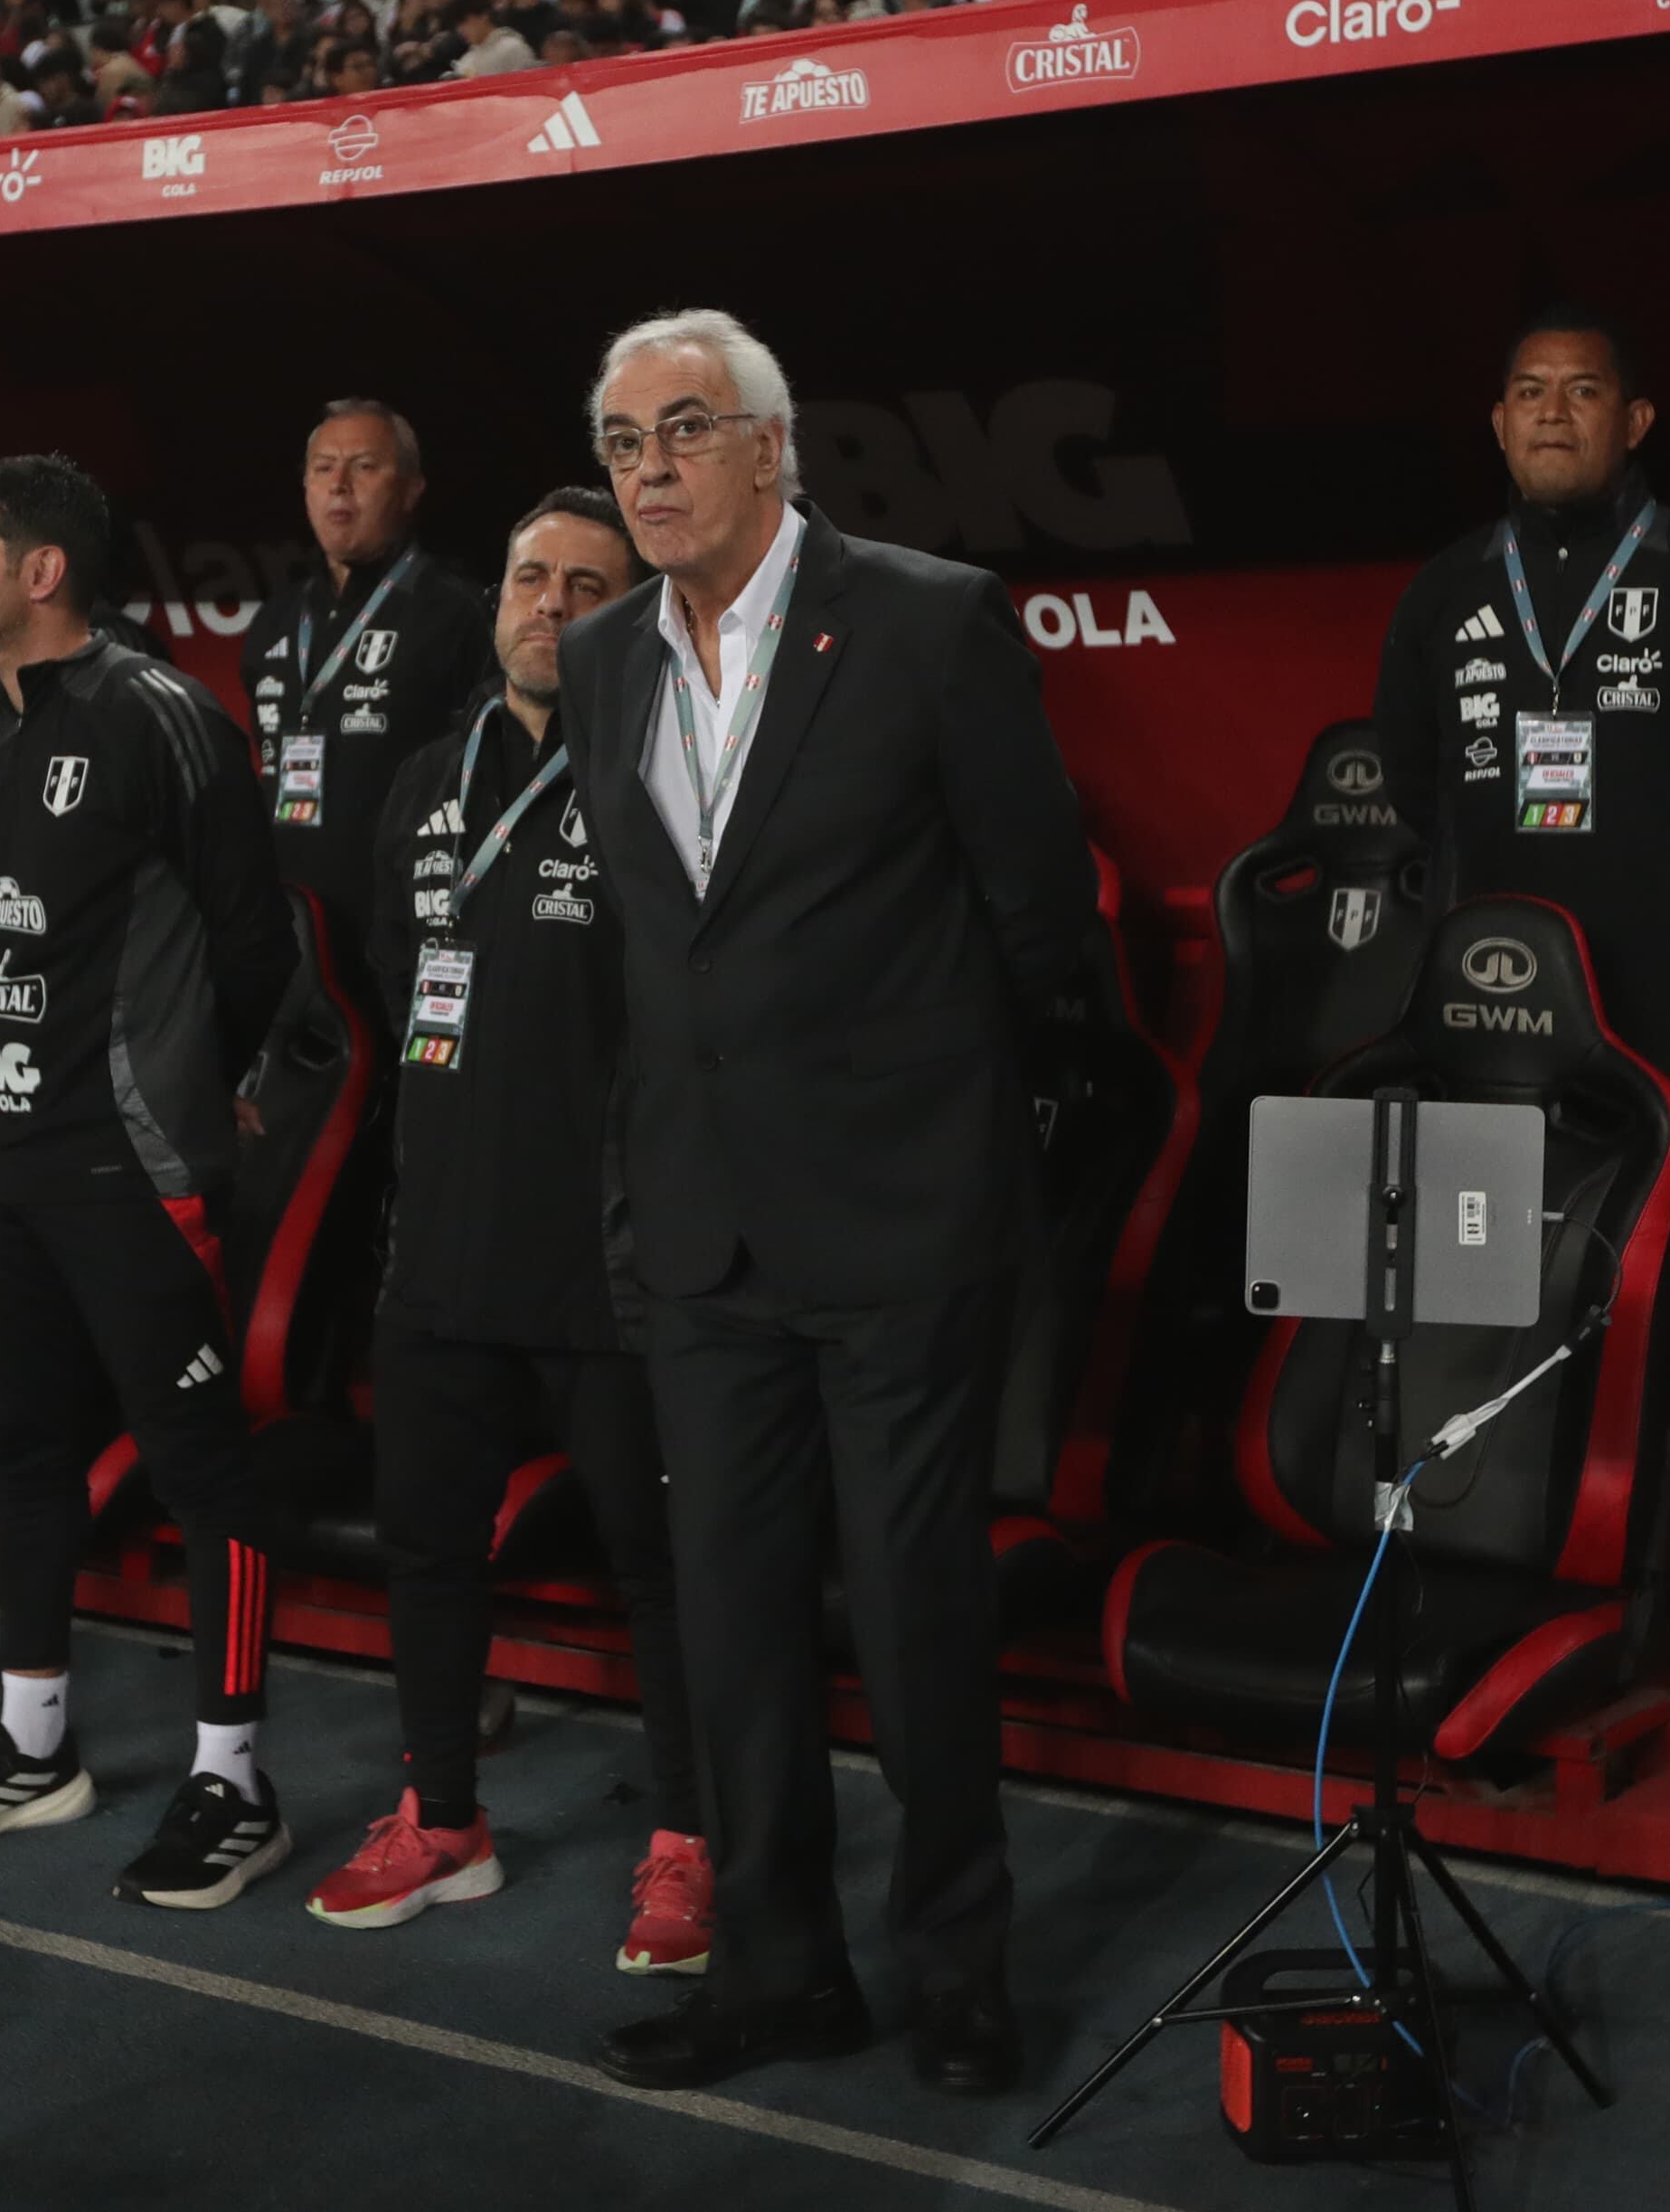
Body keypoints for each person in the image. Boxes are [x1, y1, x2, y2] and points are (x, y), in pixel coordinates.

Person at [557, 311, 1093, 2097]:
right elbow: (652, 954)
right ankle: (783, 1966)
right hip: (703, 1240)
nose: (648, 465)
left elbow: (1040, 922)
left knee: (919, 1610)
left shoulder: (927, 618)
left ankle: (959, 1967)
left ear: (772, 446)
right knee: (731, 1623)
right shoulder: (608, 657)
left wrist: (996, 1155)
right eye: (621, 435)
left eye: (684, 427)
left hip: (899, 1225)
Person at [1369, 306, 1670, 1686]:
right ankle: (1488, 1565)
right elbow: (1416, 790)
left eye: (1584, 392)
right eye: (1528, 392)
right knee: (1474, 1290)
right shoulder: (1445, 591)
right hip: (1485, 1028)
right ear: (1497, 421)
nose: (1553, 414)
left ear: (1635, 420)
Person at [304, 487, 710, 1973]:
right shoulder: (423, 781)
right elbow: (397, 974)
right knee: (428, 1553)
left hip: (615, 1261)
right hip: (444, 1256)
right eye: (529, 575)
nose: (547, 601)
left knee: (661, 1567)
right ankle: (445, 1817)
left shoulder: (677, 772)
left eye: (584, 582)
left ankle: (689, 1839)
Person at [0, 454, 305, 1909]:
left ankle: (235, 1775)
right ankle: (35, 1738)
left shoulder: (164, 718)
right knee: (20, 1448)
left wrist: (189, 1095)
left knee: (201, 1470)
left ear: (42, 570)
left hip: (130, 1166)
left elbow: (260, 950)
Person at [239, 401, 494, 985]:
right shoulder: (277, 619)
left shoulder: (454, 614)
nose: (340, 485)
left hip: (402, 934)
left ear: (411, 488)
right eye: (324, 467)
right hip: (292, 932)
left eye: (364, 466)